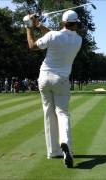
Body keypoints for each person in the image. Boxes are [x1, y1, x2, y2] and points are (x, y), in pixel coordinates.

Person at [25, 10, 82, 168]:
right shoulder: (78, 40)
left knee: (48, 113)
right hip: (61, 80)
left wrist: (29, 26)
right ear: (76, 23)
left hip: (44, 79)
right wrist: (39, 25)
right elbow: (55, 36)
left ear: (63, 22)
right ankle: (65, 144)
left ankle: (53, 151)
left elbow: (32, 45)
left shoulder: (54, 36)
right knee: (62, 113)